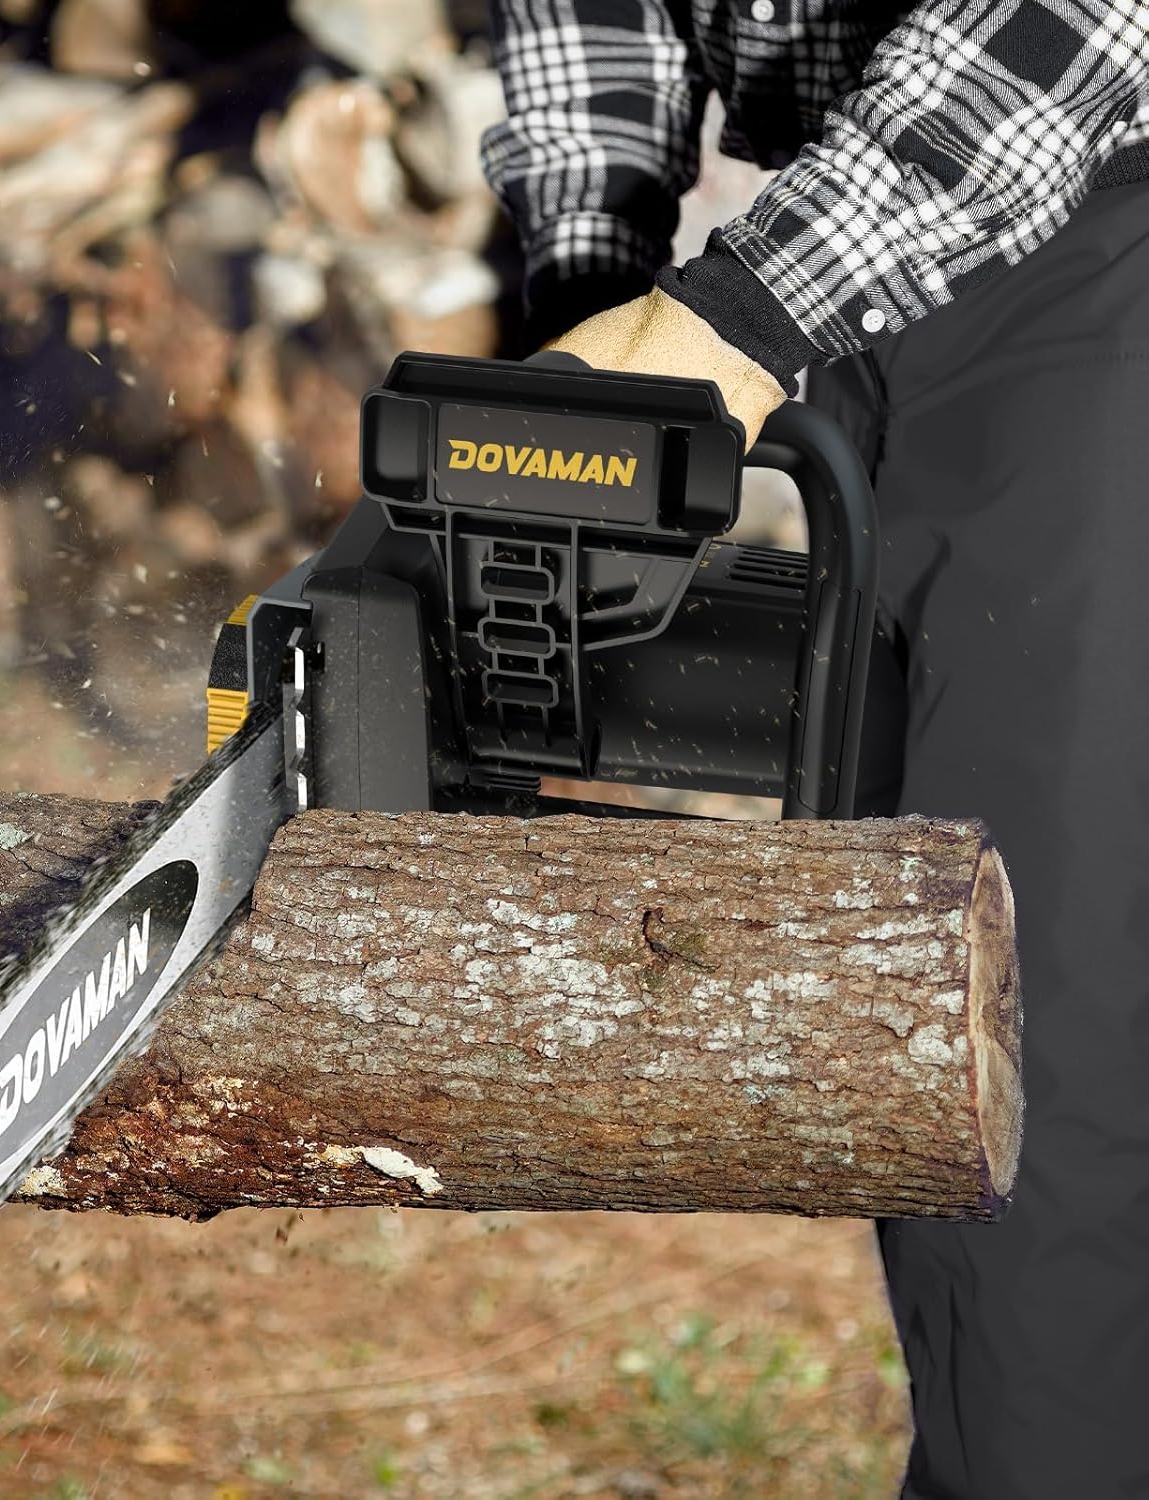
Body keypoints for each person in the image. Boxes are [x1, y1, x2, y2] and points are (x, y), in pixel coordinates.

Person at [480, 2, 1149, 1496]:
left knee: (1058, 1026)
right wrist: (594, 301)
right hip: (867, 267)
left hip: (1095, 227)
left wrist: (735, 317)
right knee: (938, 1018)